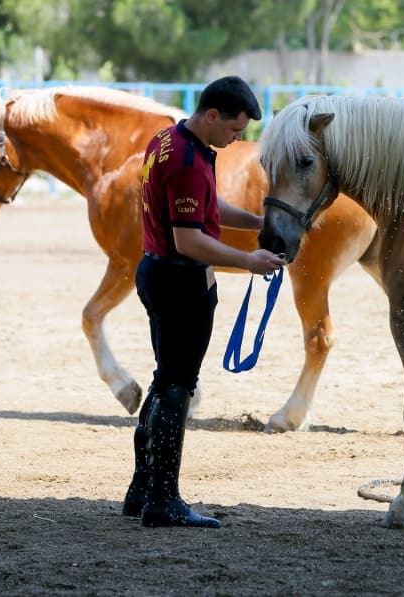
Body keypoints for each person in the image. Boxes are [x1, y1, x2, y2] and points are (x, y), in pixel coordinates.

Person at [122, 76, 286, 528]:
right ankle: (163, 498)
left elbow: (203, 210)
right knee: (178, 387)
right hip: (180, 280)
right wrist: (249, 260)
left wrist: (255, 221)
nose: (237, 140)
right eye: (234, 130)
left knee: (163, 381)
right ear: (212, 115)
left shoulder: (170, 139)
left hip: (155, 270)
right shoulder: (191, 162)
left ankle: (142, 489)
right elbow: (190, 239)